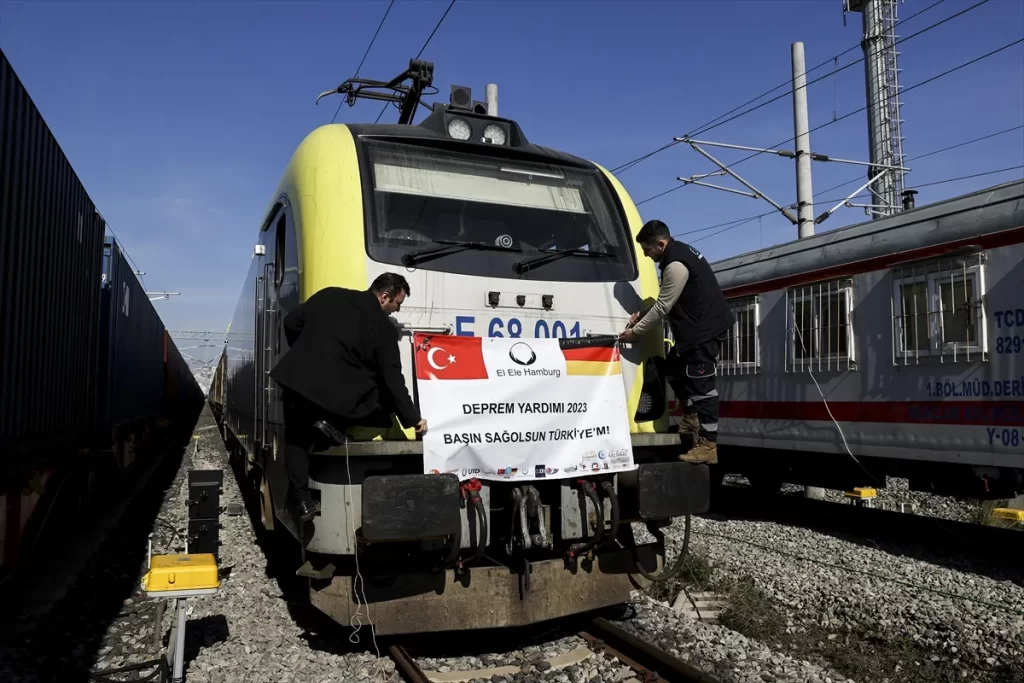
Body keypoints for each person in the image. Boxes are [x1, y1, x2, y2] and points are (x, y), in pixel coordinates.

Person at [270, 272, 428, 522]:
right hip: (336, 398)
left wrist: (306, 350)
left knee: (297, 442)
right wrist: (412, 418)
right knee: (378, 399)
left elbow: (291, 322)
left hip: (297, 382)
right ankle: (330, 427)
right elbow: (393, 380)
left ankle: (302, 502)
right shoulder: (383, 328)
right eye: (398, 303)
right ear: (385, 296)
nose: (397, 310)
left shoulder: (329, 294)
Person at [619, 220, 732, 464]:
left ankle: (708, 445)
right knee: (670, 368)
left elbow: (664, 306)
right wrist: (643, 311)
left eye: (648, 250)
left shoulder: (676, 264)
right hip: (691, 333)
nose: (647, 256)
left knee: (703, 389)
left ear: (661, 244)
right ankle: (691, 415)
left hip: (703, 333)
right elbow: (667, 299)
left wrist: (636, 332)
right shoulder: (677, 254)